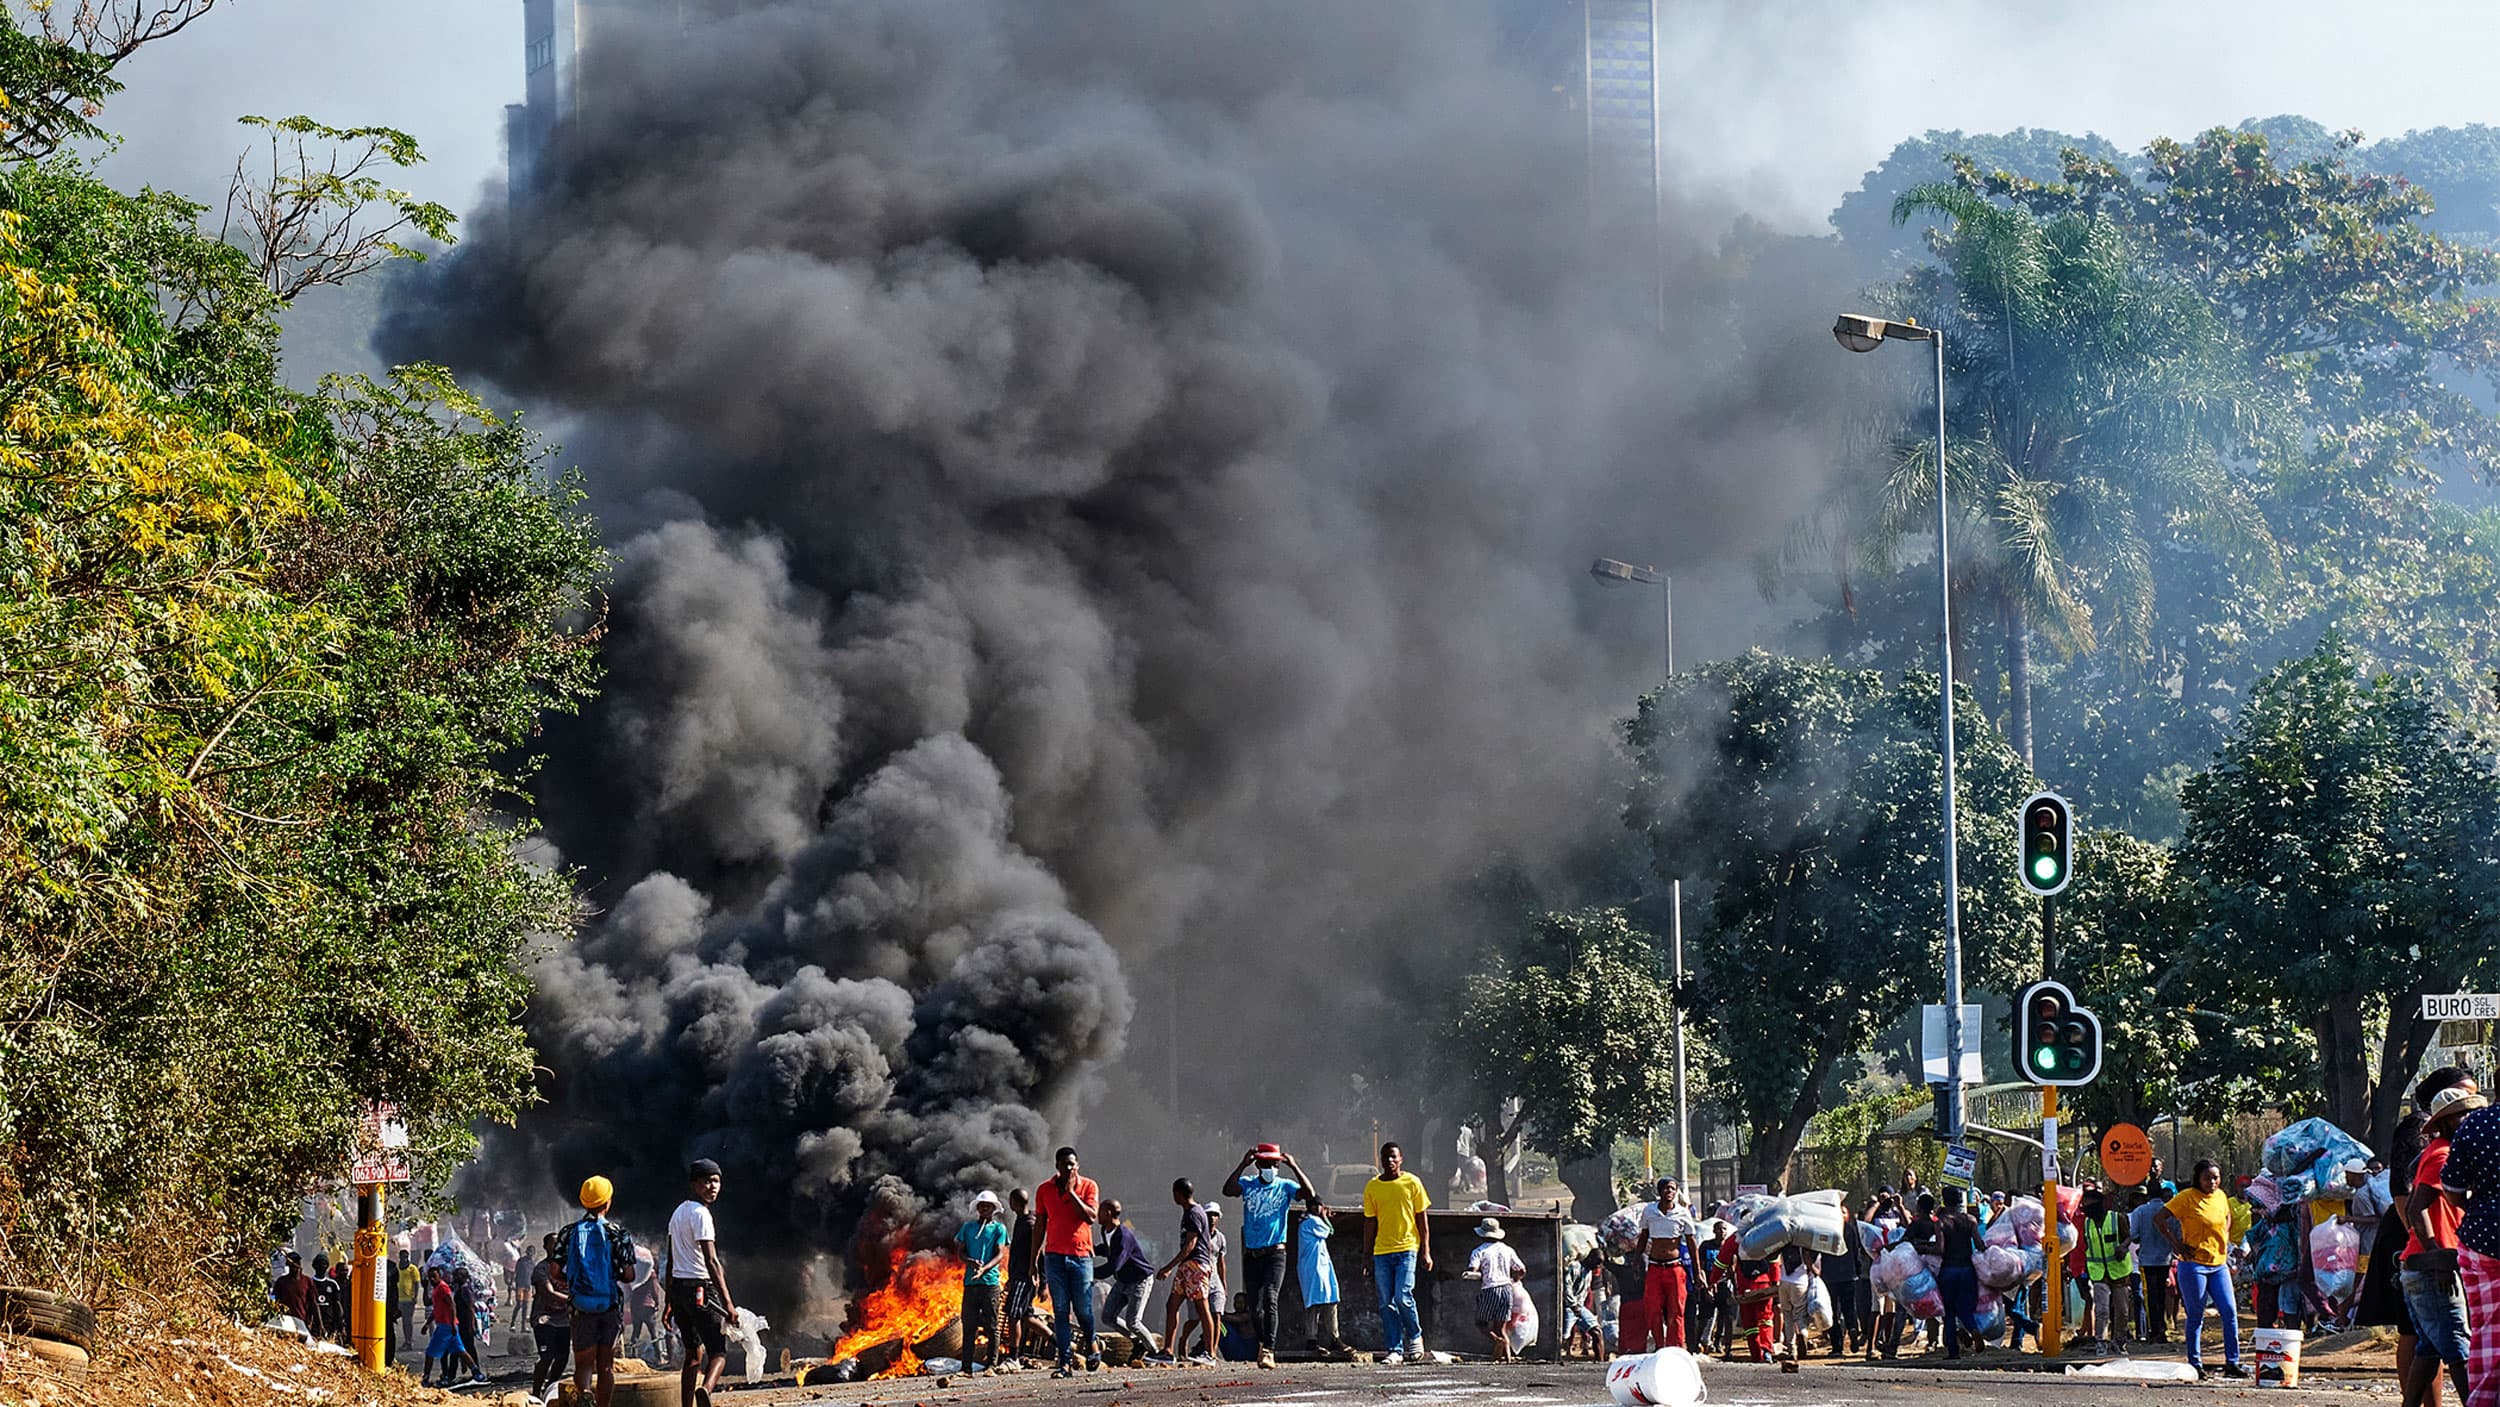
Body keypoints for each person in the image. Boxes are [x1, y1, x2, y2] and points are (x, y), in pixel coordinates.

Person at [2407, 1084, 2484, 1407]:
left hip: (2423, 1265)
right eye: (2459, 1115)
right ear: (2444, 1122)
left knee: (2429, 1348)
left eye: (2469, 1113)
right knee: (2458, 1349)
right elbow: (2416, 1208)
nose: (2467, 1120)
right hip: (2432, 1268)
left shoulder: (2442, 1152)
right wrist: (2436, 1253)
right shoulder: (2442, 1154)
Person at [2156, 1159, 2248, 1379]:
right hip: (2194, 1264)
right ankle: (2195, 1363)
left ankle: (2232, 1362)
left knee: (2229, 1311)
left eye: (2216, 1178)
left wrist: (2224, 1238)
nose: (2212, 1182)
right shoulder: (2186, 1197)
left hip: (2218, 1264)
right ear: (2198, 1178)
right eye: (2207, 1178)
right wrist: (2176, 1244)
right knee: (2196, 1315)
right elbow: (2159, 1218)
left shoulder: (2221, 1196)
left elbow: (2227, 1216)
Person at [1226, 1142, 1313, 1370]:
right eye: (1265, 1164)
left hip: (1276, 1252)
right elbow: (1228, 1189)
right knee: (1254, 1306)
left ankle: (1269, 1348)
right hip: (1253, 1253)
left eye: (1274, 1164)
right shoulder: (1247, 1184)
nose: (1270, 1168)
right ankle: (1262, 1342)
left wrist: (1294, 1166)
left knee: (1270, 1297)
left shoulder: (1285, 1186)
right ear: (1258, 1164)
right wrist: (1242, 1164)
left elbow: (1310, 1194)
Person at [665, 1158, 737, 1407]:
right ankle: (705, 1390)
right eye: (706, 1181)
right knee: (718, 1351)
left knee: (692, 1354)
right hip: (700, 1290)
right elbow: (712, 1261)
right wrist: (729, 1304)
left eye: (716, 1181)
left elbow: (670, 1261)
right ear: (694, 1185)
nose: (712, 1186)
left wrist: (669, 1300)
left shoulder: (678, 1212)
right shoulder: (701, 1214)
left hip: (679, 1291)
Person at [1031, 1145, 1104, 1377]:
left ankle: (1092, 1343)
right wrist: (1034, 1259)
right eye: (1065, 1164)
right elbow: (1040, 1225)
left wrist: (1072, 1192)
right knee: (1061, 1310)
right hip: (1054, 1258)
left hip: (1081, 1257)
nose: (1069, 1167)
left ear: (1078, 1165)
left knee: (1083, 1309)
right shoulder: (1044, 1190)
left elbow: (1091, 1217)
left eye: (1073, 1163)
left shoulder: (1089, 1186)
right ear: (1058, 1167)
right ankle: (1064, 1363)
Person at [1361, 1141, 1433, 1365]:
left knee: (1402, 1296)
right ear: (1380, 1161)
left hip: (1407, 1248)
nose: (1390, 1161)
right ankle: (1394, 1348)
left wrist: (1426, 1251)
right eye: (1385, 1157)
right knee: (1385, 1302)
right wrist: (1366, 1255)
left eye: (1393, 1157)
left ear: (1401, 1159)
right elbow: (1369, 1223)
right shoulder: (1373, 1187)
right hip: (1382, 1251)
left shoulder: (1412, 1183)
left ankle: (1414, 1335)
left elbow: (1422, 1220)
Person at [566, 1174, 634, 1407]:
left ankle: (585, 1391)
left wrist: (576, 1280)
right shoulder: (618, 1233)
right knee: (605, 1366)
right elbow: (629, 1275)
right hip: (610, 1305)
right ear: (608, 1203)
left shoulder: (569, 1232)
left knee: (584, 1364)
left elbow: (555, 1270)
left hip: (580, 1307)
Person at [1152, 1180, 1219, 1366]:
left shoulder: (1194, 1214)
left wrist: (1169, 1266)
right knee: (1172, 1304)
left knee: (1202, 1307)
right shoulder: (1190, 1212)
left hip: (1196, 1265)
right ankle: (1168, 1350)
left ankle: (1210, 1353)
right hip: (1187, 1266)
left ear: (1178, 1193)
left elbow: (1191, 1244)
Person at [1636, 1178, 1700, 1351]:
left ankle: (1676, 1348)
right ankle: (1659, 1345)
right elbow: (1643, 1237)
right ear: (1660, 1191)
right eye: (1666, 1188)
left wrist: (1698, 1272)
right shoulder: (1649, 1211)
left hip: (1675, 1268)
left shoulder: (1682, 1213)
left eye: (1672, 1189)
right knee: (1652, 1309)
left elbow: (1691, 1243)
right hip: (1655, 1267)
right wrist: (1636, 1260)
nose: (1669, 1192)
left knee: (1676, 1311)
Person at [953, 1189, 1011, 1370]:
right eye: (982, 1205)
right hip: (971, 1284)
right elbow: (960, 1252)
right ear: (978, 1208)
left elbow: (1000, 1254)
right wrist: (970, 1261)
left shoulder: (999, 1229)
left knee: (992, 1325)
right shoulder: (967, 1228)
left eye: (988, 1206)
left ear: (994, 1209)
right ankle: (966, 1368)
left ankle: (991, 1365)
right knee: (968, 1326)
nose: (985, 1208)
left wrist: (984, 1268)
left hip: (990, 1284)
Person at [1095, 1198, 1158, 1360]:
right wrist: (1092, 1250)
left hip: (1139, 1280)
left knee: (1133, 1322)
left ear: (1108, 1213)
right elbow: (1108, 1250)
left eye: (1100, 1211)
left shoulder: (1123, 1235)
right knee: (1108, 1317)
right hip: (1123, 1280)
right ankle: (1137, 1342)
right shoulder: (1105, 1230)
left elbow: (1114, 1265)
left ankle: (1154, 1352)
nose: (1097, 1214)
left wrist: (1088, 1272)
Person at [1464, 1218, 1532, 1363]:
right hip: (1507, 1290)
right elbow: (1521, 1269)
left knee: (1481, 1323)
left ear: (1482, 1234)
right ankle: (1507, 1358)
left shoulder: (1479, 1251)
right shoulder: (1508, 1249)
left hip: (1490, 1289)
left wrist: (1471, 1274)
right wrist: (1515, 1279)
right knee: (1501, 1327)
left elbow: (1473, 1270)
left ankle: (1497, 1340)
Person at [2079, 1186, 2134, 1351]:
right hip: (2098, 1273)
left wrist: (2123, 1248)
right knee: (2101, 1310)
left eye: (2090, 1205)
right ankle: (2100, 1342)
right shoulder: (2086, 1223)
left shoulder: (2117, 1219)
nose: (2087, 1209)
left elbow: (2128, 1237)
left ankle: (2119, 1342)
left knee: (2122, 1311)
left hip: (2119, 1272)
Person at [1933, 1186, 1984, 1361]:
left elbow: (1940, 1249)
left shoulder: (1941, 1222)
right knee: (1965, 1307)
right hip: (1967, 1269)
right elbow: (1979, 1245)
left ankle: (1953, 1351)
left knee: (1949, 1311)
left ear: (1944, 1201)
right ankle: (1974, 1329)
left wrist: (1923, 1248)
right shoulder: (1970, 1220)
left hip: (1948, 1270)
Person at [1298, 1197, 1348, 1357]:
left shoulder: (1309, 1221)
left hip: (1320, 1266)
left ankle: (1333, 1338)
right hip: (1314, 1267)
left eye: (1320, 1205)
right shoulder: (1311, 1221)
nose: (1319, 1208)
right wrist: (1325, 1216)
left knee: (1330, 1300)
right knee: (1315, 1304)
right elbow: (1329, 1231)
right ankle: (1313, 1340)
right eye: (1316, 1206)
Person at [531, 1230, 574, 1401]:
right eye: (552, 1243)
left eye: (559, 1244)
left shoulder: (569, 1267)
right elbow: (548, 1293)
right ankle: (535, 1392)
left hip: (564, 1319)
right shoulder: (541, 1269)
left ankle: (550, 1388)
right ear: (545, 1247)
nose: (556, 1246)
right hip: (544, 1318)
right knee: (547, 1356)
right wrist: (574, 1300)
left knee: (562, 1356)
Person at [2129, 1187, 2175, 1344]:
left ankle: (2154, 1330)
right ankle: (2162, 1329)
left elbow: (2134, 1236)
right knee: (2162, 1294)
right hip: (2164, 1259)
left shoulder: (2140, 1212)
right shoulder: (2169, 1210)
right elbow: (2176, 1233)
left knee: (2150, 1296)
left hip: (2147, 1261)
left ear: (2148, 1195)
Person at [1822, 1201, 1866, 1357]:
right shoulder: (1851, 1230)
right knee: (1849, 1308)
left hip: (1831, 1276)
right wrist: (1857, 1270)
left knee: (1834, 1311)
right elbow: (1856, 1252)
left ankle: (1837, 1347)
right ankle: (1853, 1329)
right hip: (1848, 1275)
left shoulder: (1826, 1230)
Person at [1004, 1187, 1039, 1363]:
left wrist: (1043, 1281)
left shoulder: (1030, 1224)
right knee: (1028, 1317)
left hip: (1024, 1277)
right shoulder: (1020, 1221)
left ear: (1015, 1203)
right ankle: (1060, 1344)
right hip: (1018, 1276)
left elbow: (1039, 1253)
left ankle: (1013, 1357)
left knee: (1013, 1315)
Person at [423, 1267, 471, 1387]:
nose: (432, 1279)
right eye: (430, 1277)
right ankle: (476, 1373)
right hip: (445, 1324)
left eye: (434, 1276)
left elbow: (452, 1305)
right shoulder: (436, 1290)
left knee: (431, 1352)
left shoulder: (443, 1288)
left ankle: (427, 1378)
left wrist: (453, 1323)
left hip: (446, 1325)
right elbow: (436, 1309)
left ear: (440, 1275)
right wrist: (427, 1324)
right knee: (459, 1351)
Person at [452, 1267, 484, 1384]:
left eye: (458, 1275)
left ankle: (476, 1373)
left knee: (468, 1348)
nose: (455, 1277)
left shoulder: (465, 1290)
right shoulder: (460, 1289)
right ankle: (472, 1371)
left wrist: (472, 1325)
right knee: (462, 1348)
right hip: (461, 1323)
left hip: (465, 1323)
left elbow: (471, 1308)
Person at [273, 1251, 317, 1326]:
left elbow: (314, 1303)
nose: (294, 1264)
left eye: (297, 1262)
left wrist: (318, 1323)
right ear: (288, 1264)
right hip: (285, 1321)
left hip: (302, 1321)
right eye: (292, 1262)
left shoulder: (307, 1281)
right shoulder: (281, 1281)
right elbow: (276, 1301)